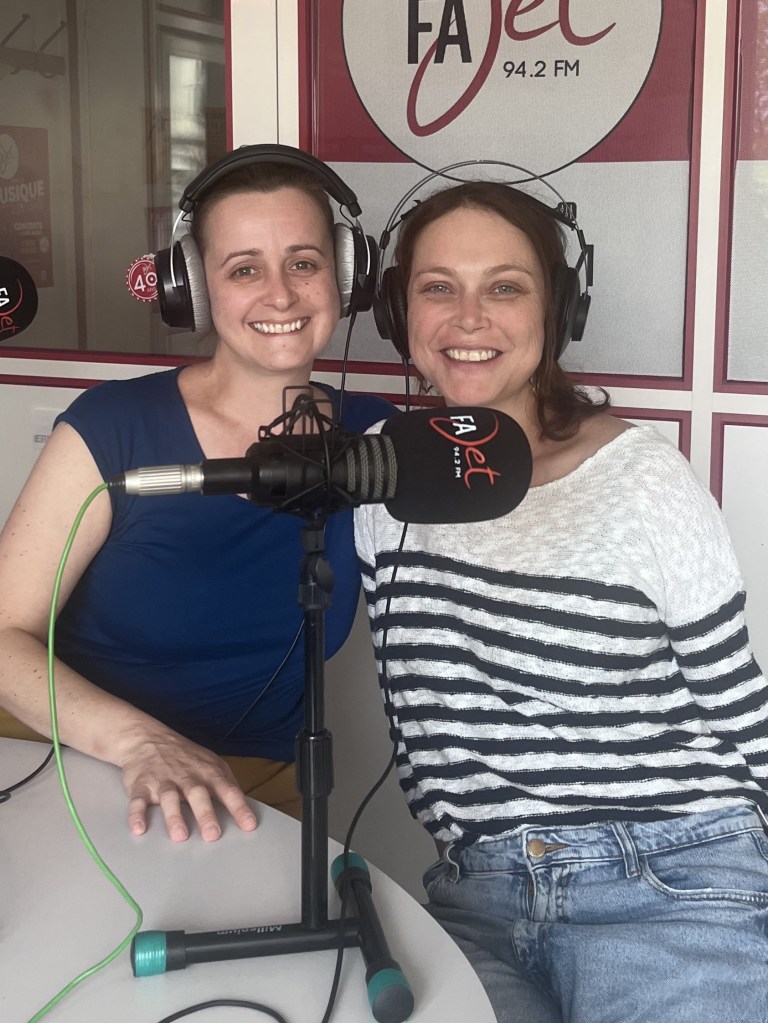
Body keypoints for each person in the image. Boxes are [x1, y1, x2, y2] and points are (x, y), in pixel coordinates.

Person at [355, 181, 768, 1022]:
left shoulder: (640, 479)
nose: (469, 317)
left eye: (505, 286)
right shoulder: (375, 473)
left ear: (558, 311)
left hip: (674, 880)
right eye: (439, 287)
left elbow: (738, 701)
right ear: (401, 314)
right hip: (476, 897)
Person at [0, 146, 392, 843]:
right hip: (71, 762)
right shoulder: (112, 428)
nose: (281, 293)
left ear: (346, 275)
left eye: (304, 262)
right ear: (196, 291)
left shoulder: (374, 439)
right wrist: (138, 742)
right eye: (245, 269)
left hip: (250, 791)